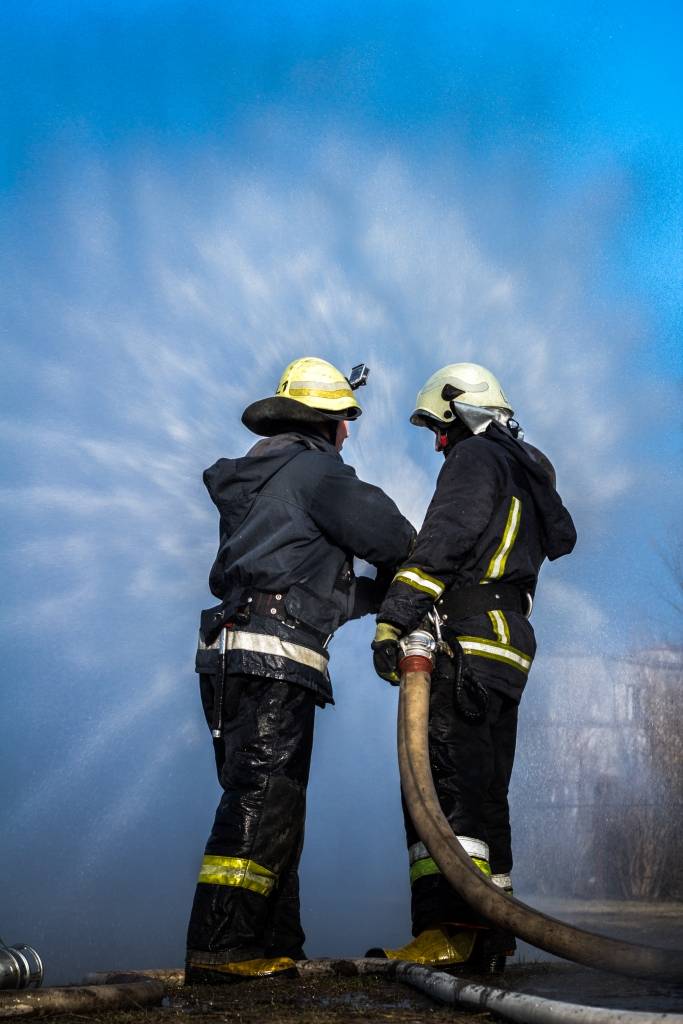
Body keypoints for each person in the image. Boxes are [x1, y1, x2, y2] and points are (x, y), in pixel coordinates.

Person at [185, 356, 415, 984]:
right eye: (346, 421)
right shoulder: (319, 475)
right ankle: (222, 948)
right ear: (328, 423)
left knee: (272, 800)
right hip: (278, 655)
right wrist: (419, 585)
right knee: (263, 799)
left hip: (227, 656)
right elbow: (396, 538)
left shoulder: (260, 481)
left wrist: (374, 601)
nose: (348, 435)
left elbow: (298, 576)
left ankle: (273, 944)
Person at [368, 362, 576, 973]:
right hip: (508, 648)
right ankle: (493, 930)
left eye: (442, 427)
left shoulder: (477, 459)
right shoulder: (527, 471)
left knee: (446, 789)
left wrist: (396, 613)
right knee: (485, 794)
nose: (438, 443)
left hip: (464, 639)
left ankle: (450, 929)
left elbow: (448, 537)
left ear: (463, 411)